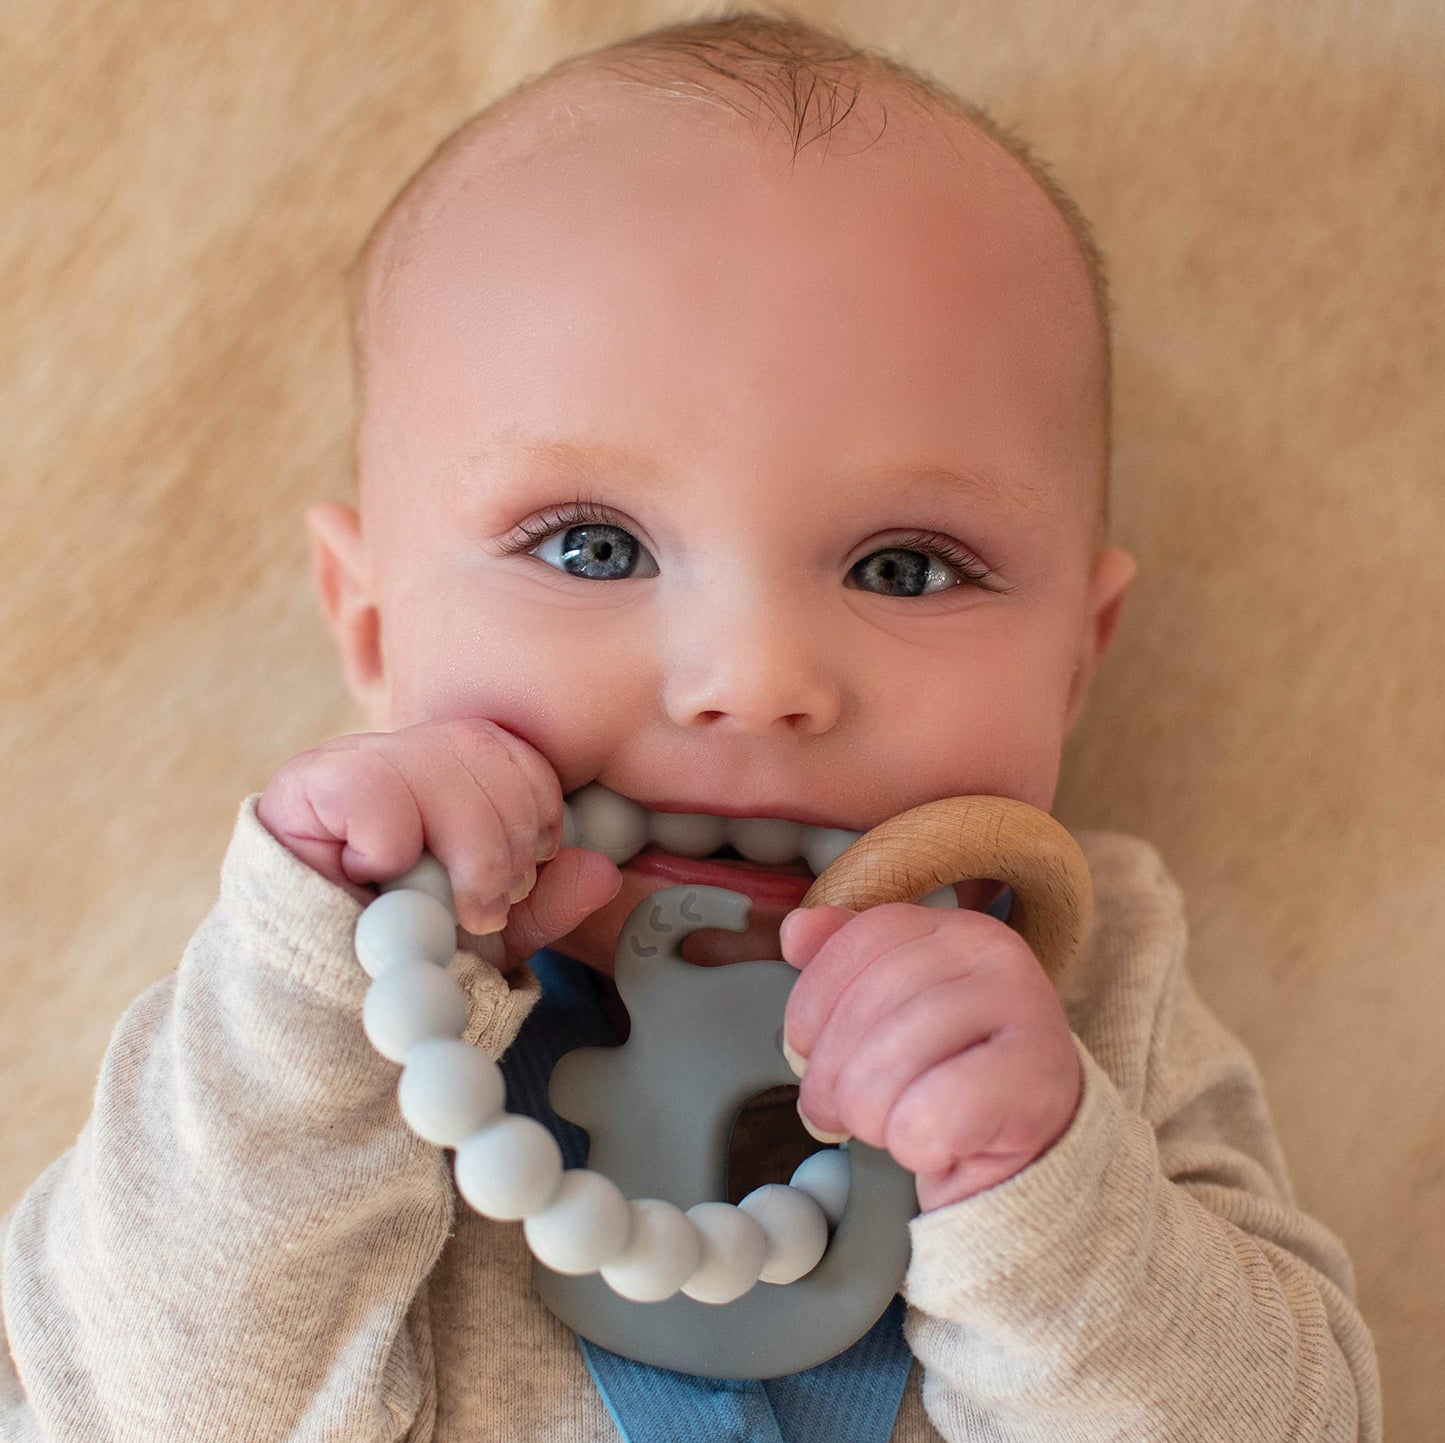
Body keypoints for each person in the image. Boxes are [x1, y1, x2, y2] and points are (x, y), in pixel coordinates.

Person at [0, 11, 1382, 1441]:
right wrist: (303, 990)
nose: (754, 676)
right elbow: (132, 1408)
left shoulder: (1090, 1001)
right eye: (592, 547)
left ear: (1073, 668)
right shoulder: (302, 1022)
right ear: (371, 627)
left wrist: (1042, 1194)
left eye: (905, 567)